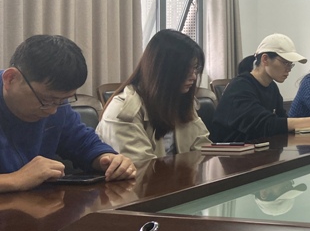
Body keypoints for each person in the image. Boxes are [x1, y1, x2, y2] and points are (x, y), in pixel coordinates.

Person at [0, 35, 136, 192]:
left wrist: (109, 160)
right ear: (10, 79)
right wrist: (16, 179)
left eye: (63, 100)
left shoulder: (57, 107)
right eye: (46, 99)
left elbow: (82, 143)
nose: (52, 110)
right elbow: (19, 179)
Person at [97, 29, 211, 162]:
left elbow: (204, 151)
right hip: (151, 175)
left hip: (179, 174)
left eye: (195, 68)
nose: (193, 76)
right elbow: (142, 168)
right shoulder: (123, 111)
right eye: (186, 69)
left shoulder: (180, 101)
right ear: (164, 70)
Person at [211, 34, 310, 142]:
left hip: (261, 152)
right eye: (285, 63)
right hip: (230, 158)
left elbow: (281, 120)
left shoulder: (272, 87)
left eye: (290, 64)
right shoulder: (240, 87)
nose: (288, 69)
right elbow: (265, 125)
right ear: (265, 59)